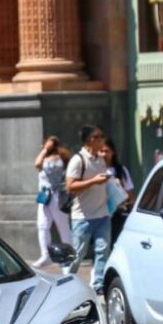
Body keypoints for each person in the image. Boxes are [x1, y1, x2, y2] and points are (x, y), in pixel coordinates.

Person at [65, 124, 111, 293]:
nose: (103, 140)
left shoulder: (100, 159)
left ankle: (97, 285)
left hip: (102, 214)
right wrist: (94, 181)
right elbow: (70, 186)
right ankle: (67, 281)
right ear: (91, 139)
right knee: (77, 255)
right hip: (82, 216)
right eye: (100, 136)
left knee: (102, 251)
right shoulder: (78, 160)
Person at [31, 136, 72, 268]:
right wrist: (44, 151)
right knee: (42, 225)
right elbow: (37, 164)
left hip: (58, 195)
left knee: (62, 225)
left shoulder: (62, 156)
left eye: (48, 144)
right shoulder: (42, 157)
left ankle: (68, 256)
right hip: (45, 196)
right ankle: (45, 255)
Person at [99, 138, 135, 248]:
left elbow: (130, 194)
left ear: (113, 152)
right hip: (100, 213)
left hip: (117, 214)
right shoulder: (95, 170)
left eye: (107, 151)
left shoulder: (121, 170)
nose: (104, 154)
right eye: (101, 151)